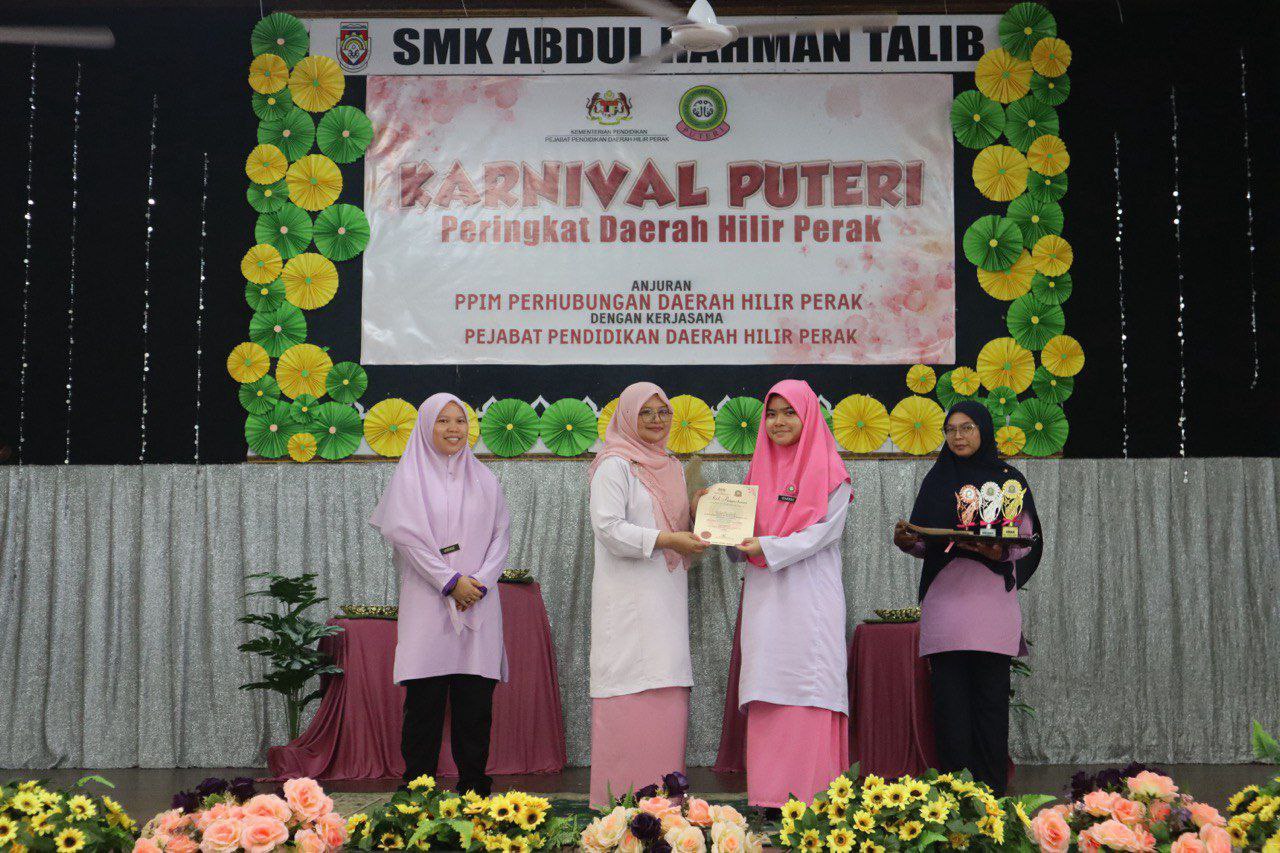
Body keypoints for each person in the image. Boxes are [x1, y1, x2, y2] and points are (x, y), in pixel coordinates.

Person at [893, 399, 1043, 796]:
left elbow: (1026, 541)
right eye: (951, 429)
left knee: (991, 710)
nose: (958, 436)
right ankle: (954, 803)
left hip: (991, 610)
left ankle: (993, 803)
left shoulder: (1009, 480)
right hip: (946, 611)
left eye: (967, 428)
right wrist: (907, 542)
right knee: (950, 714)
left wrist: (998, 552)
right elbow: (925, 542)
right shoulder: (937, 479)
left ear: (984, 430)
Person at [370, 393, 511, 797]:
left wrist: (478, 582)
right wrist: (450, 581)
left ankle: (474, 791)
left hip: (478, 603)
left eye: (460, 420)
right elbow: (406, 539)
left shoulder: (485, 479)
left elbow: (501, 537)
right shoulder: (410, 478)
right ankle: (418, 793)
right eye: (443, 421)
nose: (453, 429)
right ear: (426, 426)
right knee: (424, 704)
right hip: (428, 604)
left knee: (475, 704)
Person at [732, 379, 853, 809]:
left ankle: (812, 797)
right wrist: (716, 522)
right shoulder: (756, 471)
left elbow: (824, 534)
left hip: (809, 598)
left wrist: (766, 547)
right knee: (767, 686)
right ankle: (768, 797)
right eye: (771, 413)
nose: (778, 422)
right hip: (765, 598)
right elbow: (739, 536)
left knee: (808, 685)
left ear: (809, 417)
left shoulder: (833, 472)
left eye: (789, 413)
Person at [587, 381, 709, 806]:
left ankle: (665, 806)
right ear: (627, 416)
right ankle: (618, 806)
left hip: (667, 601)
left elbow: (679, 527)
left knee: (666, 687)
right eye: (646, 412)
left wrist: (700, 510)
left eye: (663, 412)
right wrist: (667, 540)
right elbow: (608, 528)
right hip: (626, 601)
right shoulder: (614, 465)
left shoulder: (671, 465)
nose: (657, 420)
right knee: (628, 688)